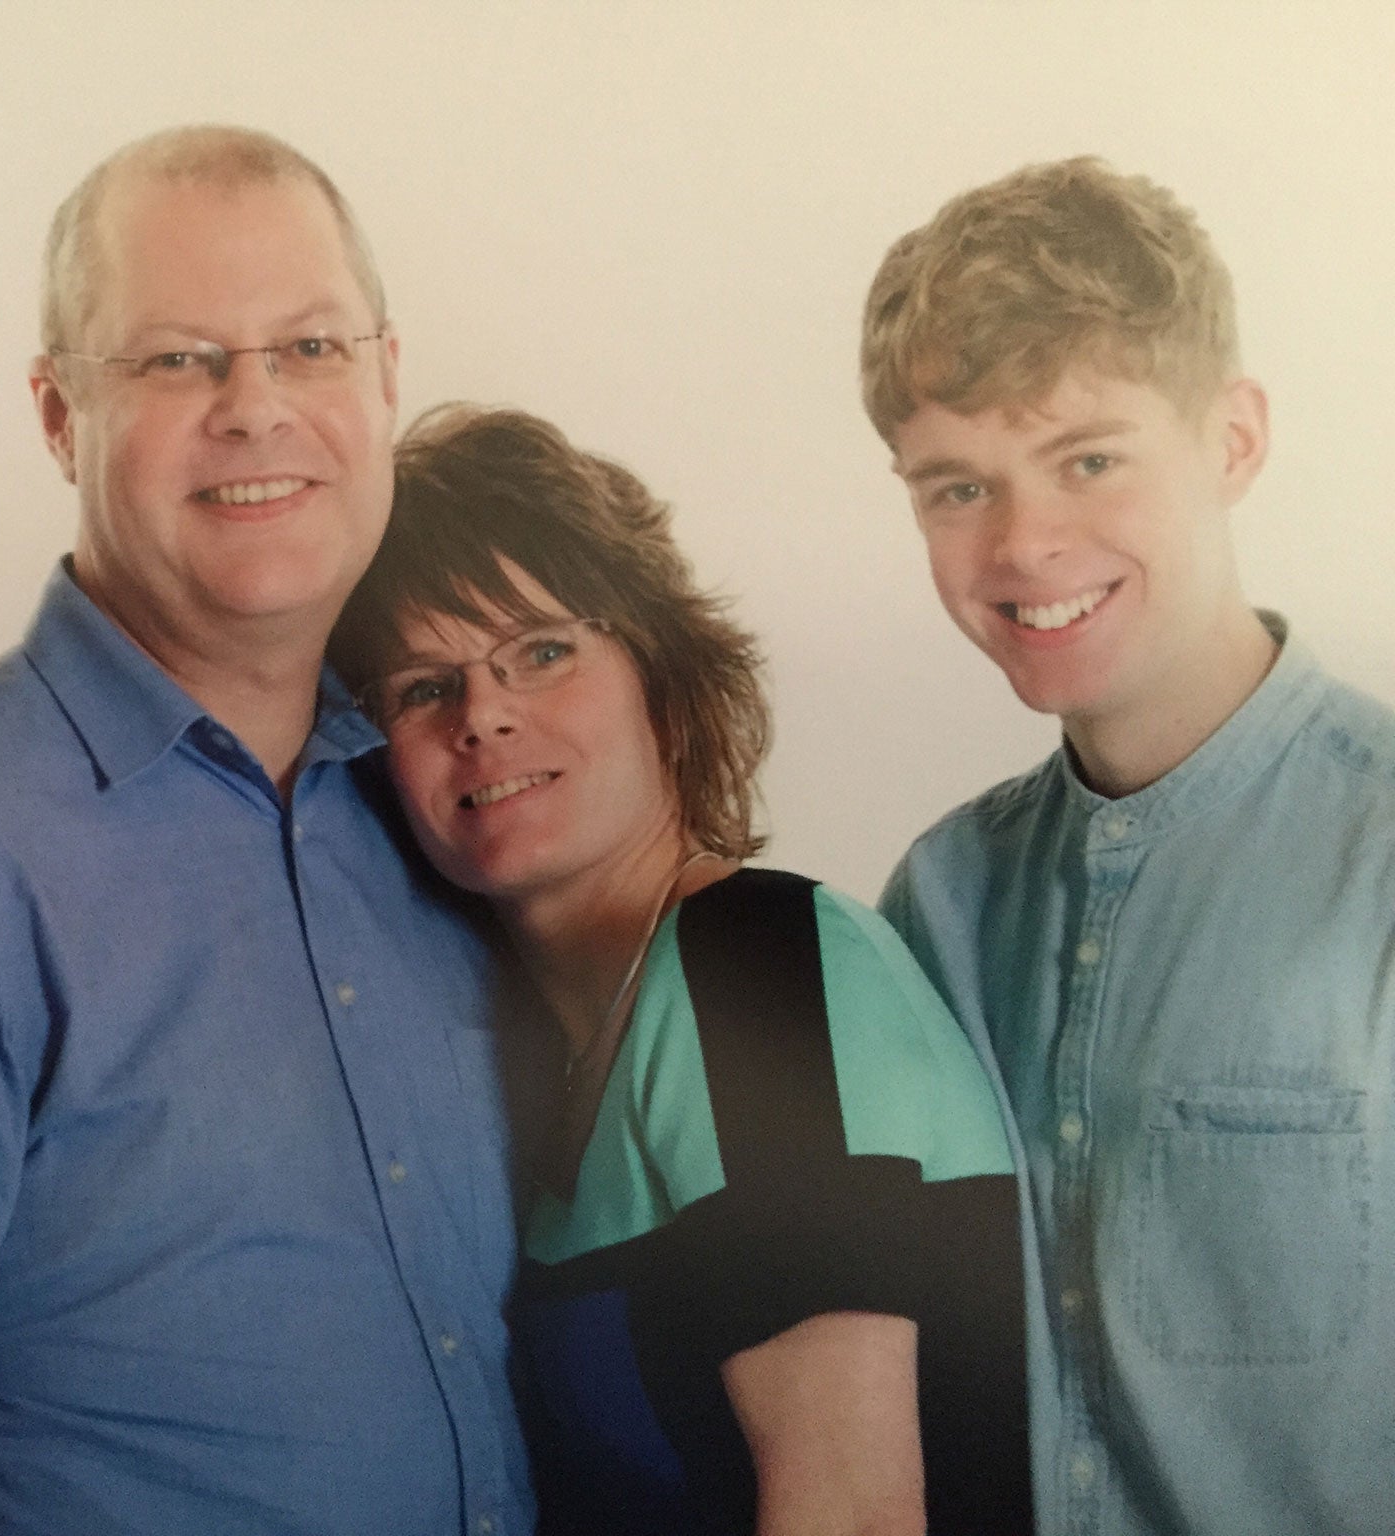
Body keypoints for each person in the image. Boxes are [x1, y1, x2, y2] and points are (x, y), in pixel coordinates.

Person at [0, 125, 531, 1536]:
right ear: (57, 414)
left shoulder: (444, 804)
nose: (255, 407)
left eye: (309, 347)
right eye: (176, 359)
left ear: (387, 377)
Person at [328, 403, 1033, 1535]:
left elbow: (850, 1514)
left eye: (541, 651)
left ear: (659, 675)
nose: (484, 716)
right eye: (421, 687)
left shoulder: (756, 972)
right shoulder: (541, 1039)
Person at [864, 157, 1395, 1533]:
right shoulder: (938, 901)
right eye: (955, 488)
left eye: (1088, 458)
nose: (1027, 543)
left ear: (1232, 439)